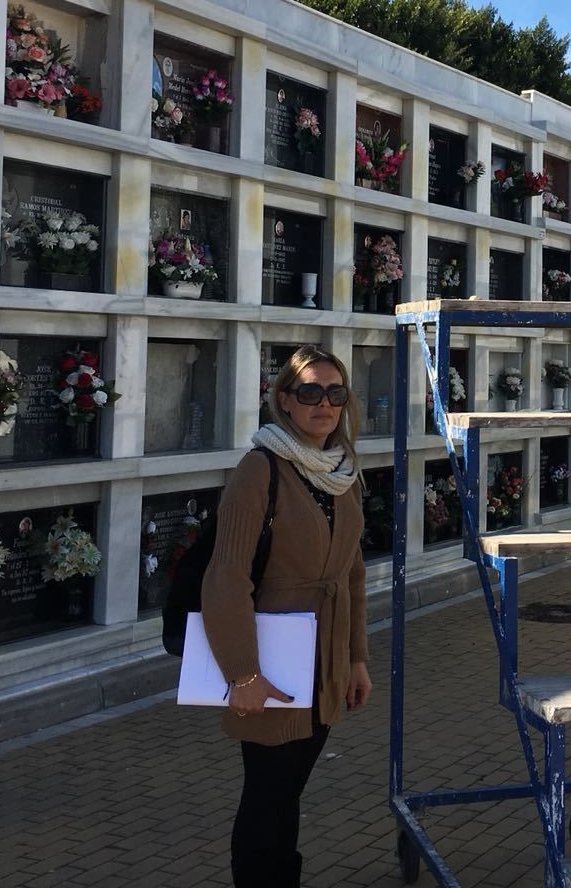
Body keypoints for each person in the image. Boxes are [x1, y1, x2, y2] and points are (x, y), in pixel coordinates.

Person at [202, 345, 372, 888]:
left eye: (335, 393)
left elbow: (352, 575)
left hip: (325, 661)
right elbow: (227, 576)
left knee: (288, 791)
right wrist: (242, 673)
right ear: (286, 400)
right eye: (310, 391)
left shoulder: (342, 473)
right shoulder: (261, 469)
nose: (324, 404)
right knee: (266, 796)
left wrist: (356, 659)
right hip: (272, 659)